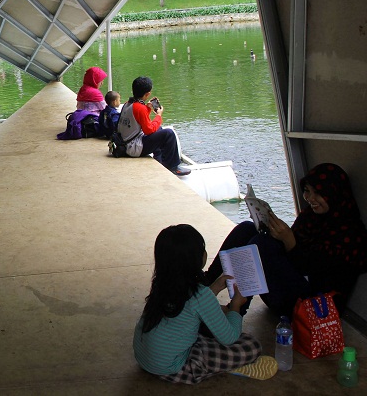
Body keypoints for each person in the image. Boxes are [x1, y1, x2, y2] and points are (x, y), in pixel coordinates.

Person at [206, 163, 367, 316]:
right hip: (287, 290)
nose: (310, 198)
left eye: (318, 193)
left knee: (261, 244)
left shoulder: (349, 233)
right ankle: (204, 286)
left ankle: (236, 310)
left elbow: (311, 270)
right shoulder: (310, 218)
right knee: (247, 228)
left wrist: (288, 239)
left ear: (333, 193)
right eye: (307, 191)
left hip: (313, 308)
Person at [133, 225, 277, 383]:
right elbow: (229, 338)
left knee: (202, 328)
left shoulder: (162, 283)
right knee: (251, 346)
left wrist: (214, 288)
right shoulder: (200, 294)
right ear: (195, 259)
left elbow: (188, 306)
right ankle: (224, 367)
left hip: (144, 358)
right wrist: (236, 306)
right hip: (173, 367)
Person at [117, 76, 190, 176]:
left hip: (125, 143)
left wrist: (148, 108)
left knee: (159, 130)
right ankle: (172, 166)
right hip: (132, 148)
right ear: (148, 94)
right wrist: (159, 116)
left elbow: (138, 118)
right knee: (169, 133)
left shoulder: (128, 103)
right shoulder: (139, 108)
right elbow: (149, 130)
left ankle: (159, 160)